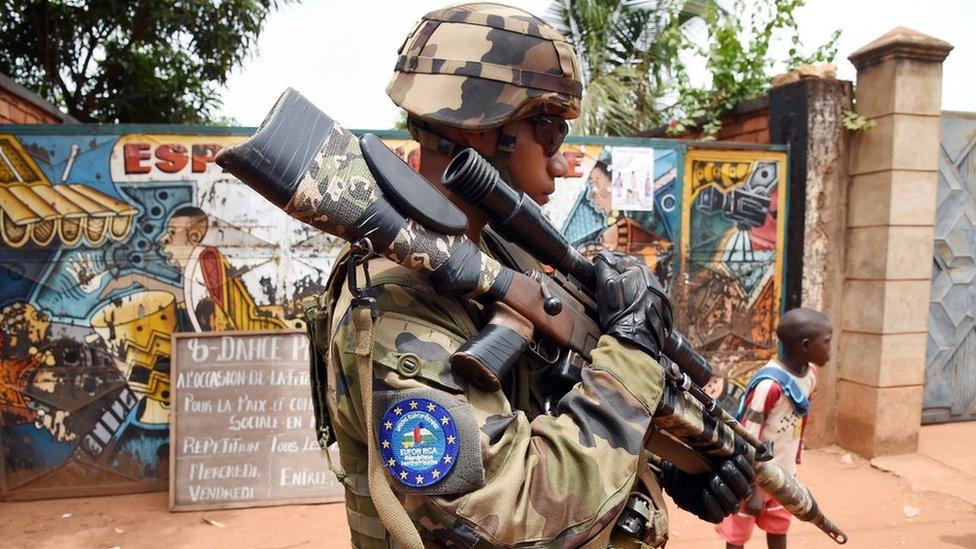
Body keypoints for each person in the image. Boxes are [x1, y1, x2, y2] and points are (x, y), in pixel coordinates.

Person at [312, 4, 754, 547]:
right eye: (550, 131)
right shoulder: (396, 299)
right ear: (482, 130)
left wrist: (670, 461)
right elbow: (510, 515)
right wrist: (633, 356)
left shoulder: (491, 251)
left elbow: (547, 404)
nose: (563, 161)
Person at [716, 307, 832, 549]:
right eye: (827, 342)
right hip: (753, 477)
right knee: (737, 537)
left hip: (784, 474)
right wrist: (751, 490)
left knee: (778, 529)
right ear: (806, 345)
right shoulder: (769, 386)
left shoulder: (810, 375)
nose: (830, 349)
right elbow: (745, 438)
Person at [158, 206, 285, 332]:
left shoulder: (207, 258)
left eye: (172, 232)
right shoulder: (195, 264)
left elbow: (220, 312)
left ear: (194, 236)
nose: (164, 239)